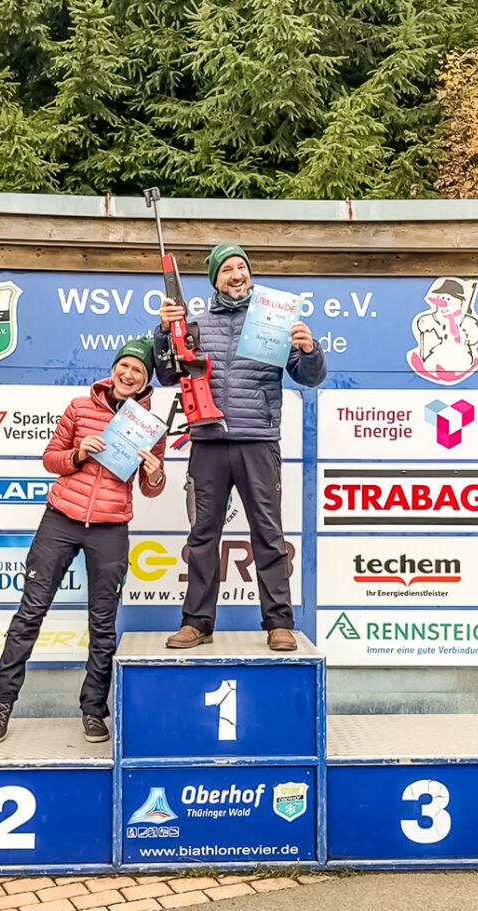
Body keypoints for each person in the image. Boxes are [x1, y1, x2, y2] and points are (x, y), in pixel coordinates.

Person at [0, 337, 166, 743]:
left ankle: (93, 710)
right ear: (114, 368)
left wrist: (154, 472)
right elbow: (51, 458)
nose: (128, 374)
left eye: (138, 370)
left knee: (102, 626)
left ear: (144, 381)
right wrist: (78, 452)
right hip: (61, 519)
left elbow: (152, 487)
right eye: (124, 366)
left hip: (111, 526)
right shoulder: (80, 408)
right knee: (30, 613)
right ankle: (1, 704)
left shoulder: (150, 426)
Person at [154, 243, 326, 651]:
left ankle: (279, 623)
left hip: (258, 442)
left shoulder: (274, 320)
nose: (237, 274)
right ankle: (197, 622)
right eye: (227, 269)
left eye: (242, 267)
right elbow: (165, 374)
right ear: (215, 278)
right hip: (208, 441)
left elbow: (309, 376)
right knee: (202, 536)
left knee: (268, 533)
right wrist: (163, 332)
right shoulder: (193, 323)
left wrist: (308, 349)